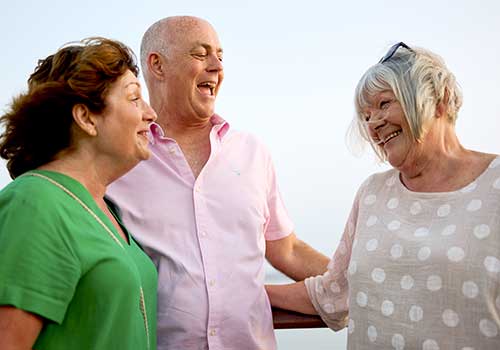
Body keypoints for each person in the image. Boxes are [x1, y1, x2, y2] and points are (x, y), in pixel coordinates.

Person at [106, 16, 329, 350]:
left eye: (220, 57)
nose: (216, 67)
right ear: (157, 65)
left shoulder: (252, 151)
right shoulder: (119, 160)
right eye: (201, 54)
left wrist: (365, 279)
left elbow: (288, 250)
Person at [266, 42, 500, 349]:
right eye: (366, 115)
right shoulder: (372, 193)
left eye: (384, 104)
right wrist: (246, 292)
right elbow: (334, 293)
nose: (373, 123)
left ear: (438, 99)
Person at [0, 37, 158, 350]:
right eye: (134, 99)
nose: (150, 114)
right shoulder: (36, 203)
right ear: (86, 118)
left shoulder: (105, 210)